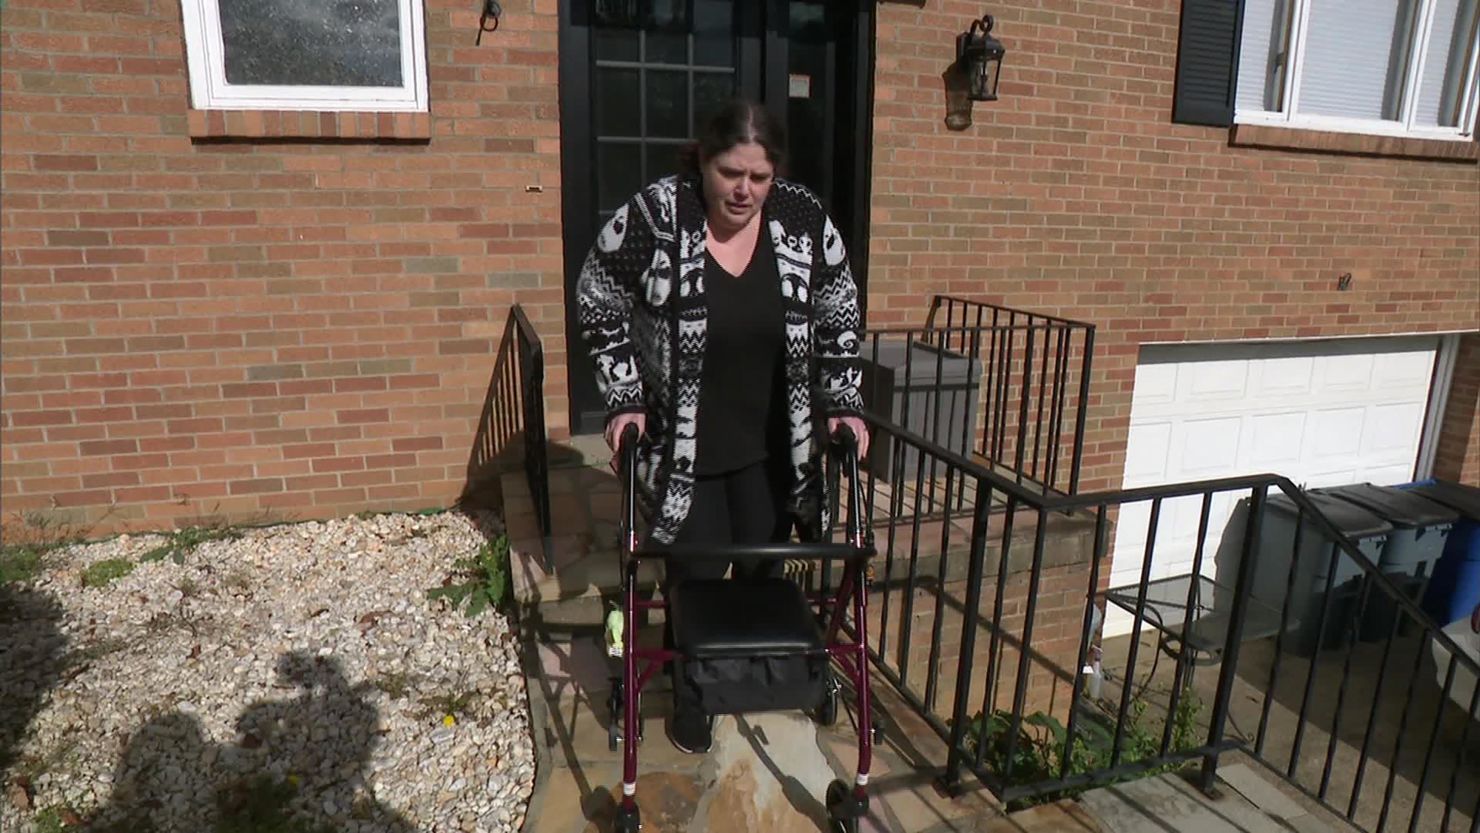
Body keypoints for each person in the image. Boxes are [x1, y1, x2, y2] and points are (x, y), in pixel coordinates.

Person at [575, 98, 869, 754]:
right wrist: (624, 394)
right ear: (704, 160)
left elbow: (839, 305)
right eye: (731, 172)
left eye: (759, 177)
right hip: (682, 453)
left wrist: (844, 397)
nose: (744, 190)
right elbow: (598, 295)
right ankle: (694, 696)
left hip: (773, 445)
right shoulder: (657, 216)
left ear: (775, 176)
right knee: (695, 581)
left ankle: (755, 678)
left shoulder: (801, 218)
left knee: (767, 573)